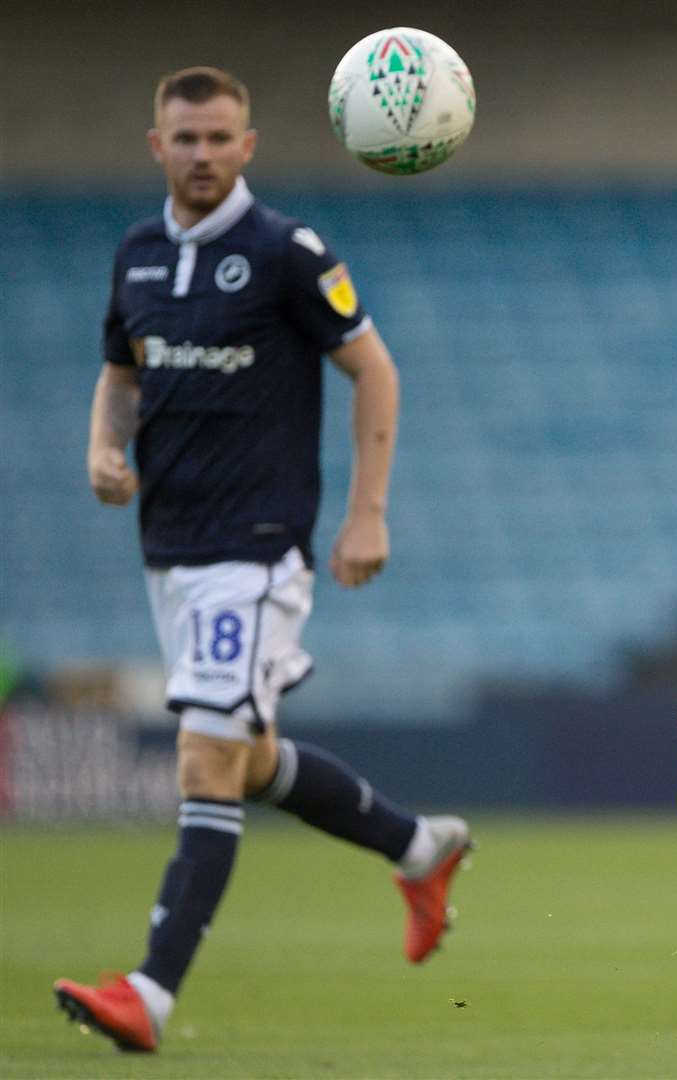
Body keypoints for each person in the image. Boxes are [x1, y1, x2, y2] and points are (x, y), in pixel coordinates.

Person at [54, 67, 471, 1054]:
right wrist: (102, 450)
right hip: (169, 549)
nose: (202, 155)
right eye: (184, 139)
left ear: (249, 146)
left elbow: (374, 370)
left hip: (255, 549)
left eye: (219, 138)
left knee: (203, 756)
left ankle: (148, 995)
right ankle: (419, 848)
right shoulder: (139, 254)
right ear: (157, 146)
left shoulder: (287, 252)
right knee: (241, 759)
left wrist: (366, 515)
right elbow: (121, 373)